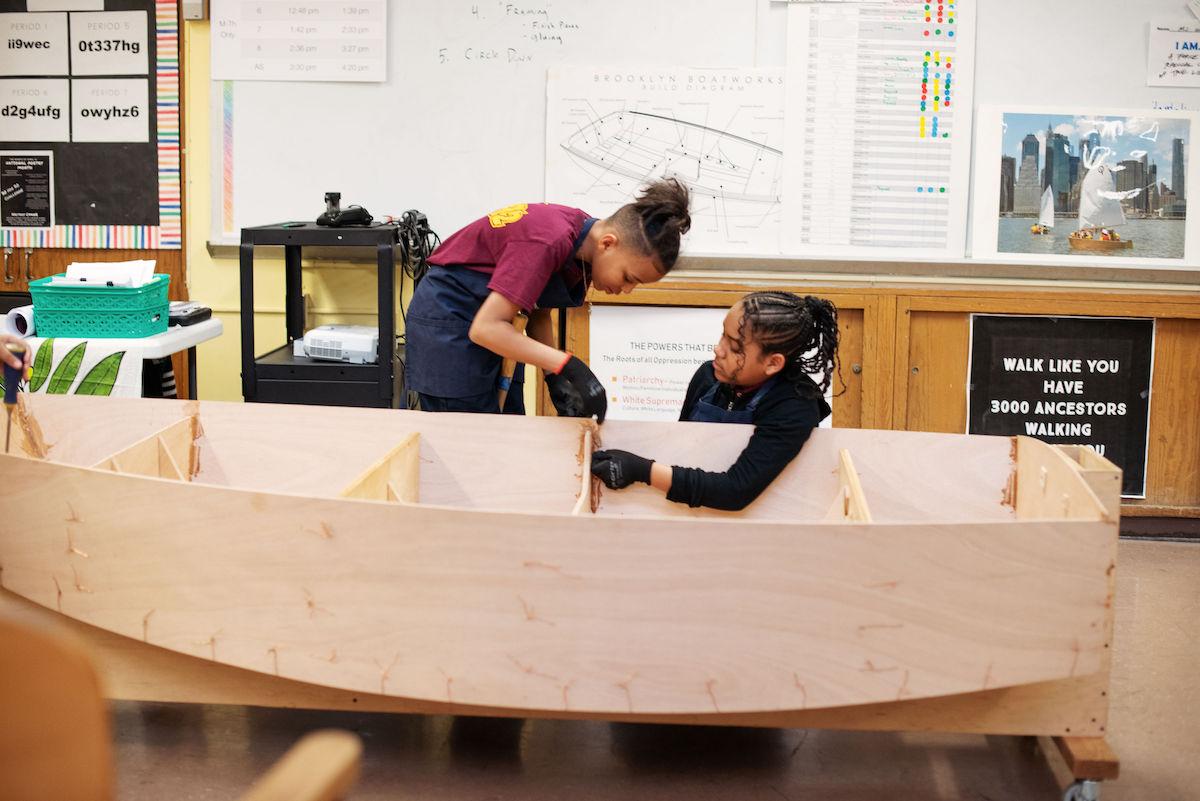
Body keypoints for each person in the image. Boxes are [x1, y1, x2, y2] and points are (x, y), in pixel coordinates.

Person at [405, 179, 692, 419]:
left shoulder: (580, 244)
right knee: (472, 449)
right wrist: (567, 365)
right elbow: (486, 329)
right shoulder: (548, 239)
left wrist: (553, 378)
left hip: (497, 326)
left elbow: (537, 311)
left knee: (509, 430)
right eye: (629, 277)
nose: (627, 290)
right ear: (608, 243)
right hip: (451, 322)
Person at [590, 292, 840, 512]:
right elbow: (679, 448)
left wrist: (642, 471)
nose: (718, 350)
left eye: (734, 347)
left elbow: (736, 491)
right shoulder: (707, 377)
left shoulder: (794, 406)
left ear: (772, 363)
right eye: (723, 335)